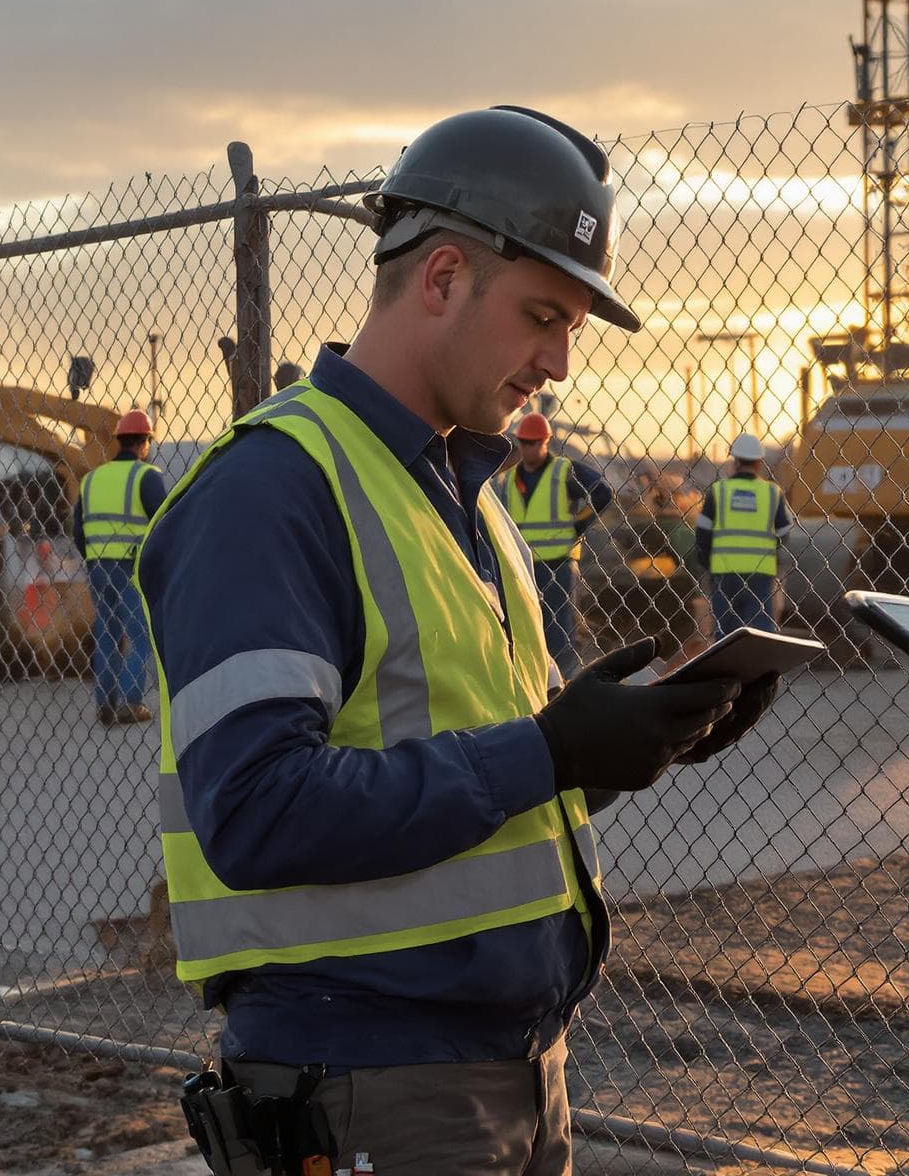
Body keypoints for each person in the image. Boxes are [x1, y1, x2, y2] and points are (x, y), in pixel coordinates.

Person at [138, 106, 780, 1176]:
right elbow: (256, 811)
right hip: (373, 1089)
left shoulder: (461, 494)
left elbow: (465, 778)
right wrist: (553, 752)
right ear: (440, 279)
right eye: (543, 316)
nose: (561, 362)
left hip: (510, 1076)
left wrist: (630, 746)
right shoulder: (272, 488)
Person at [495, 411, 612, 678]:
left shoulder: (563, 471)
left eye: (534, 442)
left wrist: (577, 526)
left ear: (545, 442)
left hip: (557, 562)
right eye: (524, 442)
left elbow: (603, 493)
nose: (528, 448)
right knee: (524, 627)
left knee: (559, 629)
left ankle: (563, 683)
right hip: (522, 564)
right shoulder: (510, 478)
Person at [74, 408, 168, 726]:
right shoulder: (147, 476)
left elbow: (78, 528)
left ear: (119, 441)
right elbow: (164, 523)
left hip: (98, 565)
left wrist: (95, 555)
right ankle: (130, 702)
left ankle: (106, 701)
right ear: (144, 442)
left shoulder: (91, 480)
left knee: (107, 634)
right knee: (140, 634)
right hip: (131, 566)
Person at [693, 433, 788, 635]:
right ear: (759, 463)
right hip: (760, 573)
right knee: (760, 632)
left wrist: (707, 562)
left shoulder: (718, 491)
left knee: (726, 633)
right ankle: (757, 666)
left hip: (724, 572)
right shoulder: (772, 492)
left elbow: (702, 533)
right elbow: (784, 532)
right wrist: (772, 553)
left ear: (734, 461)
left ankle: (728, 665)